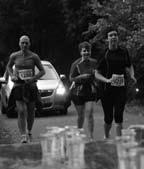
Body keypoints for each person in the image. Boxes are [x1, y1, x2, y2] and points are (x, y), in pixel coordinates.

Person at [95, 26, 137, 139]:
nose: (113, 37)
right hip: (106, 90)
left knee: (119, 115)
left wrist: (132, 75)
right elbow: (96, 73)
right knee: (108, 118)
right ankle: (107, 137)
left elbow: (129, 65)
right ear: (107, 39)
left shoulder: (124, 51)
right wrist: (107, 80)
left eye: (115, 35)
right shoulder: (104, 54)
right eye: (110, 35)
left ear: (117, 38)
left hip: (120, 89)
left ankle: (119, 141)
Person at [7, 35, 45, 143]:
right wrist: (12, 76)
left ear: (29, 44)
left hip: (30, 86)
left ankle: (29, 130)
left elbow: (42, 71)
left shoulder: (34, 57)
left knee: (31, 110)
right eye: (22, 42)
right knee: (22, 111)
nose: (24, 45)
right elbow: (9, 67)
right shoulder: (14, 56)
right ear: (19, 44)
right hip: (18, 86)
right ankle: (23, 135)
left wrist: (33, 78)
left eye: (26, 43)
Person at [69, 41, 111, 140]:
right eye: (84, 51)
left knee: (90, 112)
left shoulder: (94, 62)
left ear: (90, 52)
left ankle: (91, 137)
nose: (86, 53)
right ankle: (78, 134)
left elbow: (97, 74)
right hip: (78, 92)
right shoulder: (76, 64)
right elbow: (71, 79)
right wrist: (81, 76)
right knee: (81, 115)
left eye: (88, 51)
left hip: (90, 91)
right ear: (80, 52)